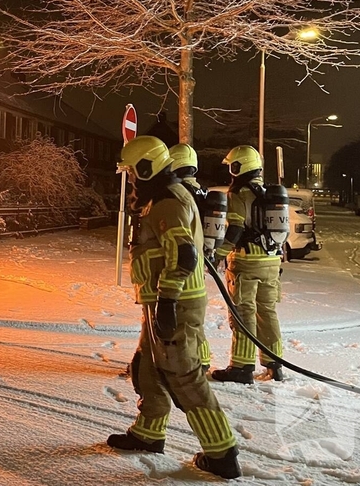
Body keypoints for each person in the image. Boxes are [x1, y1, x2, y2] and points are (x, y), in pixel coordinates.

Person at [108, 136, 241, 479]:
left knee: (184, 376)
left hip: (175, 303)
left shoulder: (168, 201)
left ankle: (222, 453)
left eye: (133, 172)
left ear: (147, 167)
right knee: (149, 369)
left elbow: (182, 255)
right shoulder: (165, 195)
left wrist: (167, 300)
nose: (132, 179)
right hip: (162, 301)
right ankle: (149, 434)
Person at [210, 145, 285, 384]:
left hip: (246, 262)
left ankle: (241, 368)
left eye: (232, 167)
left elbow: (236, 228)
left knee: (243, 314)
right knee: (268, 312)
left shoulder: (240, 193)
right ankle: (275, 364)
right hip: (272, 262)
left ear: (238, 167)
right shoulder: (266, 193)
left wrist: (218, 254)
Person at [169, 143, 214, 373]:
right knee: (196, 319)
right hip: (201, 266)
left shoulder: (177, 195)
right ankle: (203, 361)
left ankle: (190, 366)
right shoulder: (204, 193)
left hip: (183, 264)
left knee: (183, 319)